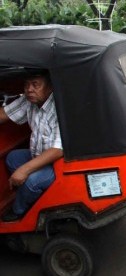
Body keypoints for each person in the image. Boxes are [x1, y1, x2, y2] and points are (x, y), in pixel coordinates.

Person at [0, 70, 63, 222]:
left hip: (59, 163)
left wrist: (24, 170)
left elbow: (57, 150)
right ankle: (35, 195)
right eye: (27, 85)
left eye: (35, 85)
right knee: (13, 158)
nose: (29, 89)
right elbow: (4, 114)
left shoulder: (58, 107)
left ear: (50, 87)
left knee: (30, 182)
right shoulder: (30, 100)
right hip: (40, 155)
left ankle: (19, 212)